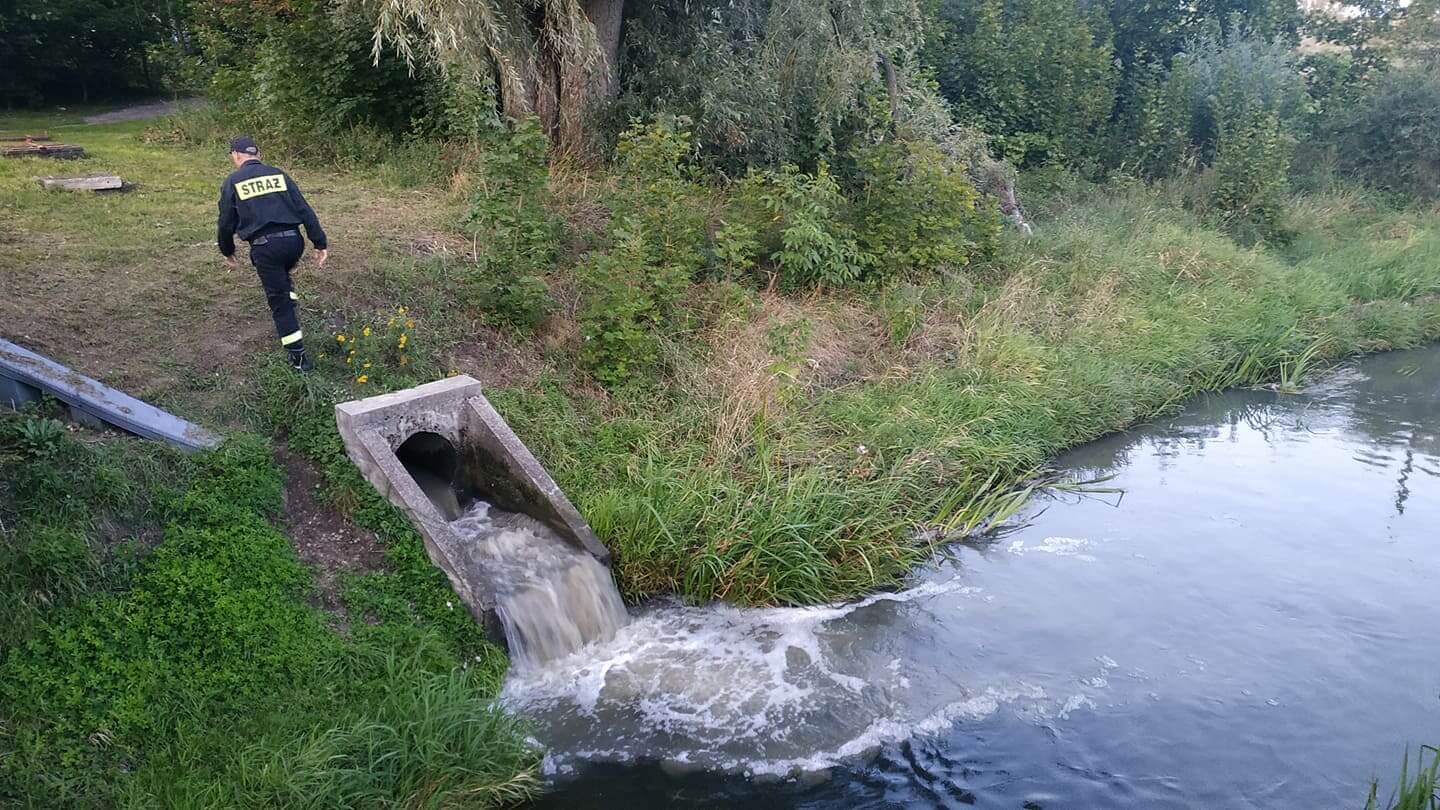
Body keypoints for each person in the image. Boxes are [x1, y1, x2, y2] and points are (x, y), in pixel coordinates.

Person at [217, 135, 328, 371]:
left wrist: (227, 250)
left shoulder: (233, 181)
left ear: (236, 155)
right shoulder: (279, 174)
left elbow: (226, 222)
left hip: (266, 248)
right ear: (258, 155)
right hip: (294, 243)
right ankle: (288, 292)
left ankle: (298, 360)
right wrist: (319, 242)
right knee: (280, 272)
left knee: (279, 304)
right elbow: (304, 209)